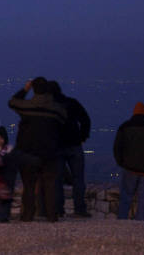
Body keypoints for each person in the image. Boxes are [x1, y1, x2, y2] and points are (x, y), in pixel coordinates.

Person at [8, 77, 66, 222]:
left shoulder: (26, 107)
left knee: (28, 186)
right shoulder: (57, 110)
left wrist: (25, 89)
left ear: (34, 89)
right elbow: (63, 120)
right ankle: (52, 216)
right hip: (51, 152)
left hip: (27, 152)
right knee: (50, 185)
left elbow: (12, 102)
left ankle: (28, 215)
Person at [113, 102, 144, 220]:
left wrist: (121, 162)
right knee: (143, 199)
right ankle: (140, 223)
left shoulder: (125, 127)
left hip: (129, 168)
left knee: (125, 197)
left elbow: (117, 147)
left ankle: (122, 221)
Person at [49, 81, 92, 218]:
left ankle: (58, 209)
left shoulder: (50, 106)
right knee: (78, 178)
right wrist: (82, 136)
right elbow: (85, 119)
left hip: (57, 146)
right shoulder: (72, 103)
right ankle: (79, 209)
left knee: (57, 179)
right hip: (74, 144)